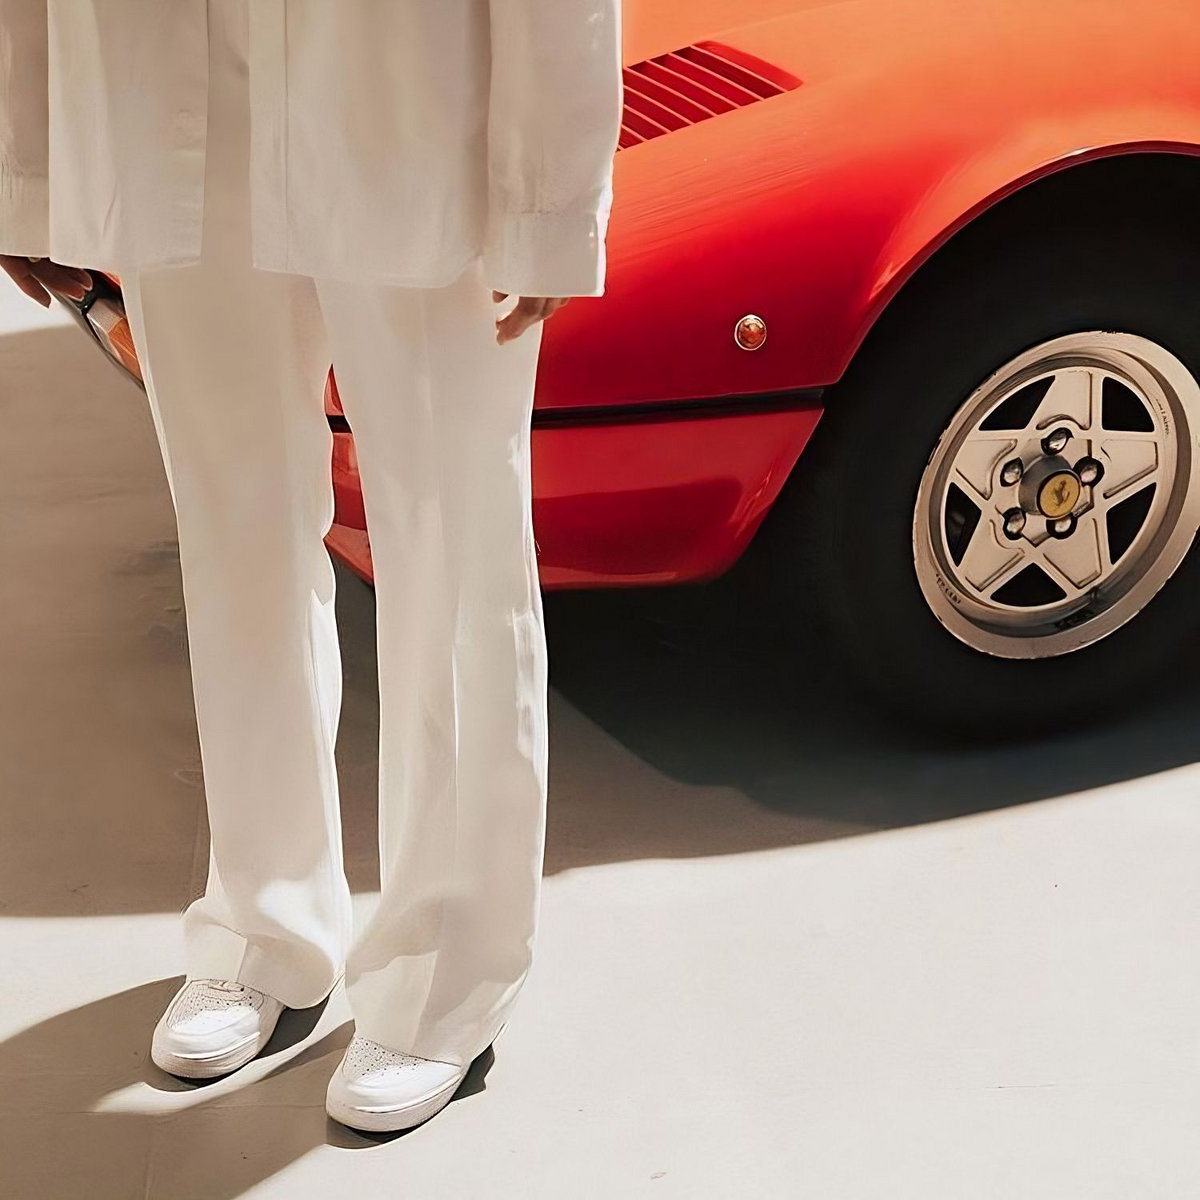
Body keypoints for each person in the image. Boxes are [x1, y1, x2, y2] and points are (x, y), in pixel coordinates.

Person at [0, 0, 621, 1132]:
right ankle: (266, 922)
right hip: (157, 68)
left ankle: (446, 965)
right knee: (230, 526)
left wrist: (548, 194)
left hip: (409, 84)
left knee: (450, 534)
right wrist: (25, 166)